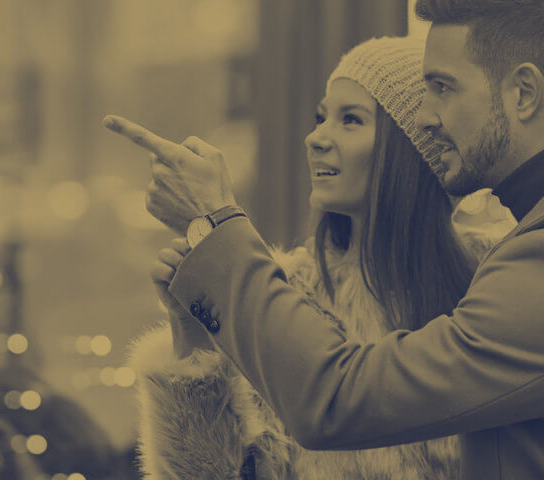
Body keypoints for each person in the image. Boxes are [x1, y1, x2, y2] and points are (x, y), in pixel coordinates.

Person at [106, 1, 544, 477]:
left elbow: (333, 400)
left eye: (443, 88)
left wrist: (218, 223)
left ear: (524, 93)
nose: (425, 114)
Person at [125, 37, 489, 479]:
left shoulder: (491, 282)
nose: (315, 138)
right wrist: (190, 337)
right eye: (321, 118)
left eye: (350, 119)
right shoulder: (284, 293)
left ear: (412, 149)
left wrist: (215, 219)